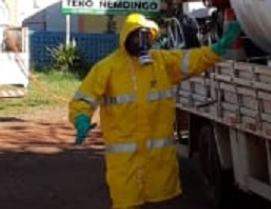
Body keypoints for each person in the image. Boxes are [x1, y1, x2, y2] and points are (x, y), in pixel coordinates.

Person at [69, 12, 242, 208]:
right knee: (127, 202)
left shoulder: (161, 62)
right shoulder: (108, 68)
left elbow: (192, 59)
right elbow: (85, 96)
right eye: (137, 35)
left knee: (161, 201)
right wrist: (80, 118)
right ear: (126, 37)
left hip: (158, 165)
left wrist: (217, 49)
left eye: (146, 36)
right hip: (126, 165)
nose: (142, 41)